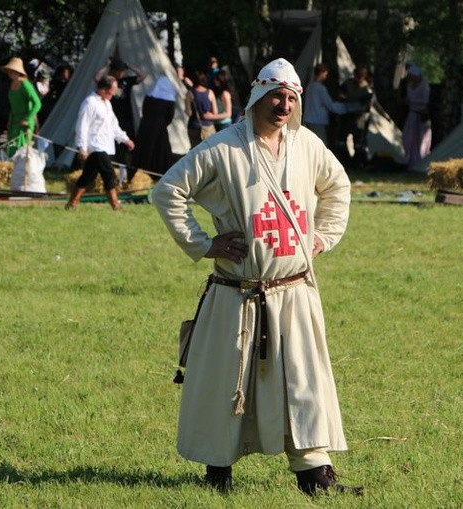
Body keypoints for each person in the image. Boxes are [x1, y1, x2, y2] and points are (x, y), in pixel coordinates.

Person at [152, 58, 362, 496]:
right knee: (229, 384)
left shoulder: (306, 145)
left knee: (302, 381)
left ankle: (315, 475)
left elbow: (338, 188)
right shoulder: (222, 148)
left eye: (291, 98)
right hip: (238, 293)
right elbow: (167, 190)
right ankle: (218, 472)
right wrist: (203, 243)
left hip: (294, 290)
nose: (283, 105)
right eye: (276, 96)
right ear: (257, 98)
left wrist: (323, 236)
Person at [66, 75, 135, 211]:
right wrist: (82, 147)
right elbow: (82, 126)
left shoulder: (107, 104)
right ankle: (115, 205)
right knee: (109, 173)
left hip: (105, 145)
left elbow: (113, 125)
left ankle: (72, 203)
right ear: (104, 89)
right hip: (95, 146)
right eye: (112, 90)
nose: (114, 93)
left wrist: (124, 139)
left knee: (88, 176)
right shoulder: (90, 103)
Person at [132, 76, 177, 178]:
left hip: (145, 126)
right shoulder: (169, 99)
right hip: (160, 127)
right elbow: (170, 116)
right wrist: (163, 124)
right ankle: (157, 174)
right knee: (160, 151)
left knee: (144, 150)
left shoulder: (150, 95)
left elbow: (144, 110)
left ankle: (141, 173)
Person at [0, 57, 42, 156]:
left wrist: (27, 118)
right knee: (11, 149)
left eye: (11, 71)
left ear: (17, 71)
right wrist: (10, 119)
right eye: (8, 71)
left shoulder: (25, 85)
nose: (9, 73)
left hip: (24, 123)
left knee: (22, 152)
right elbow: (13, 105)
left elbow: (37, 103)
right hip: (14, 121)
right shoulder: (11, 85)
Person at [302, 63, 350, 148]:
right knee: (322, 146)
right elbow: (330, 105)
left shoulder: (309, 85)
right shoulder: (320, 88)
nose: (326, 76)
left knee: (311, 145)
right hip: (317, 121)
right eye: (325, 74)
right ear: (322, 73)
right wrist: (345, 108)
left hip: (309, 119)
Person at [401, 63, 431, 168]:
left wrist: (410, 101)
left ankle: (420, 160)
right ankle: (409, 159)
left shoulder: (424, 86)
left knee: (421, 140)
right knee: (408, 138)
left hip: (421, 115)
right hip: (412, 115)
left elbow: (424, 101)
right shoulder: (409, 85)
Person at [185, 70, 216, 147]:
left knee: (196, 153)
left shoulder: (189, 93)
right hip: (208, 128)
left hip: (194, 127)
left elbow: (189, 113)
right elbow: (215, 112)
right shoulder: (210, 92)